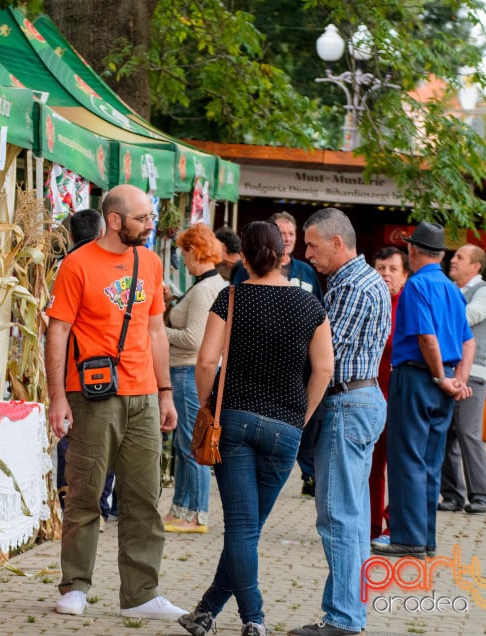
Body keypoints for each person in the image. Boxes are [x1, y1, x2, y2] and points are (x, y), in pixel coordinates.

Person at [179, 221, 333, 636]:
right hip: (286, 428)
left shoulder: (230, 299)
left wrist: (211, 405)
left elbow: (206, 361)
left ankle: (254, 620)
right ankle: (206, 612)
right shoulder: (310, 306)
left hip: (235, 421)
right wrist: (303, 415)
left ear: (242, 256)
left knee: (243, 529)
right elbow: (324, 369)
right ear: (284, 256)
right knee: (249, 529)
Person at [45, 184, 186, 620]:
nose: (150, 225)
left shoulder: (151, 261)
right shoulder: (77, 264)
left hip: (144, 394)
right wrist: (57, 398)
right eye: (142, 218)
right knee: (86, 495)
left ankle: (141, 594)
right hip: (93, 396)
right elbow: (58, 332)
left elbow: (156, 331)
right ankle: (75, 586)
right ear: (114, 220)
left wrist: (166, 392)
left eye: (150, 217)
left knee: (144, 496)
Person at [288, 208, 390, 636]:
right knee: (351, 514)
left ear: (336, 242)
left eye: (311, 244)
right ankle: (345, 612)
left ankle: (345, 618)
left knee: (339, 518)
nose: (306, 253)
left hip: (347, 402)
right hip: (361, 399)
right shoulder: (364, 280)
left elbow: (322, 358)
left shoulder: (350, 286)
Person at [374, 221, 474, 560]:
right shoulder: (451, 288)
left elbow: (427, 337)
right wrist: (456, 380)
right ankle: (426, 539)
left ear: (412, 251)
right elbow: (468, 341)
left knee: (407, 459)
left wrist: (439, 377)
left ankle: (408, 538)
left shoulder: (416, 286)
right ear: (442, 254)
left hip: (418, 377)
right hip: (442, 379)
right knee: (431, 461)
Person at [233, 212, 325, 498]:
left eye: (291, 234)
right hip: (251, 378)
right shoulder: (242, 272)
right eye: (281, 233)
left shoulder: (307, 274)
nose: (286, 239)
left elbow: (321, 318)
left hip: (298, 371)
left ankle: (309, 474)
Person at [54, 209, 118, 527]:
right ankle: (100, 506)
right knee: (104, 442)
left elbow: (58, 326)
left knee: (76, 441)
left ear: (70, 237)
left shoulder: (66, 265)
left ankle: (74, 505)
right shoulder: (108, 264)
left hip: (75, 368)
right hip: (110, 370)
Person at [162, 223, 227, 533]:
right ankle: (182, 508)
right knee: (187, 442)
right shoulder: (212, 284)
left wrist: (156, 332)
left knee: (192, 443)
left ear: (192, 251)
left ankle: (195, 513)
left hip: (189, 369)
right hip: (192, 370)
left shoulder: (203, 289)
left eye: (183, 253)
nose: (183, 261)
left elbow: (193, 338)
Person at [439, 244, 486, 514]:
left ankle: (483, 497)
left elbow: (469, 316)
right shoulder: (453, 290)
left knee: (467, 433)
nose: (453, 261)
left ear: (476, 266)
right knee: (446, 435)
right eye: (453, 257)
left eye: (460, 257)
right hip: (449, 372)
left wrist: (435, 319)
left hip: (473, 372)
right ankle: (452, 496)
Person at [369, 247, 409, 541]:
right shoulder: (369, 302)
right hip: (370, 397)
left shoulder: (408, 306)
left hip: (399, 399)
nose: (385, 274)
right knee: (371, 466)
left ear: (405, 275)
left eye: (393, 269)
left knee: (396, 466)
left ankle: (392, 525)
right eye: (380, 267)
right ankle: (370, 526)